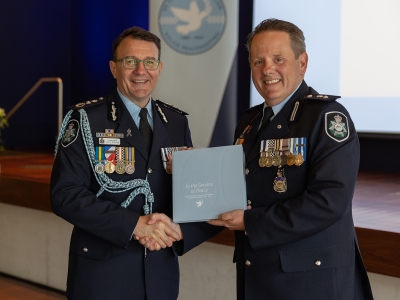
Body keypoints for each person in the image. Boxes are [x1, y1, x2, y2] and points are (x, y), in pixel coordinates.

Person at [208, 18, 374, 299]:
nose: (267, 69)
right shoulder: (249, 122)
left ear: (302, 62)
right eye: (257, 61)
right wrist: (188, 174)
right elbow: (239, 187)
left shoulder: (326, 117)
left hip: (310, 282)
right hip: (260, 275)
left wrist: (252, 222)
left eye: (278, 59)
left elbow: (329, 201)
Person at [50, 26, 220, 300]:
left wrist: (181, 231)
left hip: (159, 272)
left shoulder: (176, 122)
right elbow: (65, 195)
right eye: (130, 61)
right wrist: (133, 225)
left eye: (149, 62)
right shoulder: (84, 119)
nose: (141, 70)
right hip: (102, 274)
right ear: (113, 68)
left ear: (159, 67)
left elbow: (191, 194)